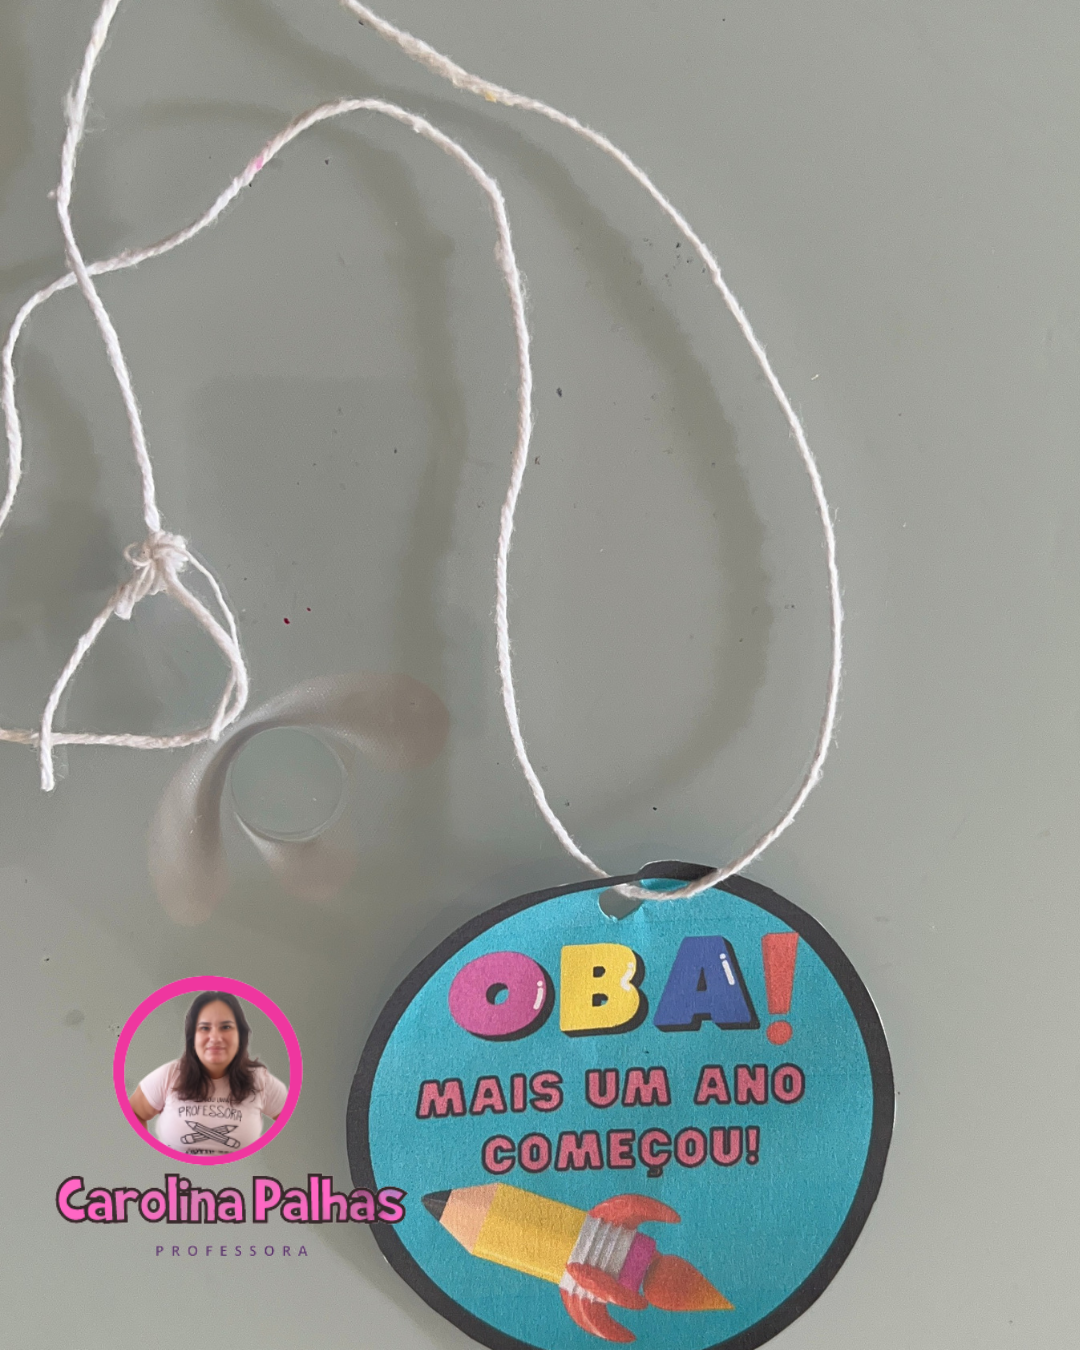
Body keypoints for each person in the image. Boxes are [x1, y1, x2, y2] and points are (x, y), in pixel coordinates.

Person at [129, 992, 288, 1156]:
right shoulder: (169, 1075)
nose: (215, 1038)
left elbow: (297, 1122)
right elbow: (132, 1114)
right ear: (192, 1037)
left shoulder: (260, 1080)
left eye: (226, 1027)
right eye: (204, 1028)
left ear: (240, 1035)